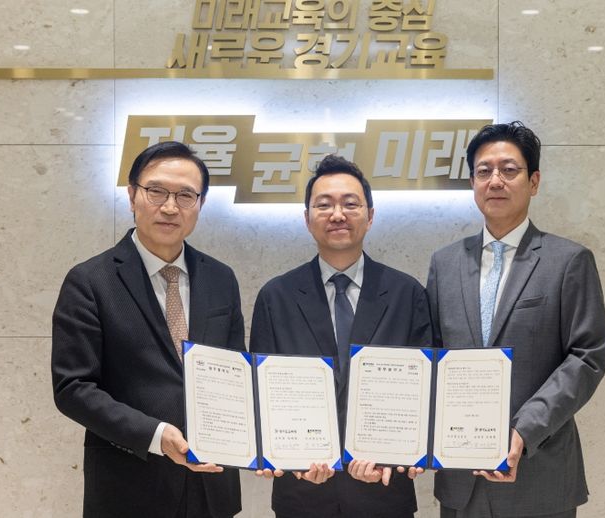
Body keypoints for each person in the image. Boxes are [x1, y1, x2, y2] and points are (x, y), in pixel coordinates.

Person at [52, 141, 244, 518]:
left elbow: (236, 373)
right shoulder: (90, 281)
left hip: (212, 489)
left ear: (201, 204)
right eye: (156, 191)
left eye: (185, 195)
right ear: (132, 196)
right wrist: (155, 435)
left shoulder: (221, 279)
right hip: (130, 488)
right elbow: (73, 387)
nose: (170, 207)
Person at [426, 121, 605, 518]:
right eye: (484, 171)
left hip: (539, 474)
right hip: (461, 479)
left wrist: (525, 428)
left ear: (534, 181)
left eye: (509, 170)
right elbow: (432, 357)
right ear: (473, 183)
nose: (495, 180)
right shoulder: (445, 263)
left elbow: (587, 356)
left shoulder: (568, 261)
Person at [249, 154, 432, 518]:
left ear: (370, 215)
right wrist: (280, 456)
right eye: (324, 205)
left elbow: (425, 391)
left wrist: (406, 454)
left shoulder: (406, 293)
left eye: (350, 204)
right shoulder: (276, 296)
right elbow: (262, 392)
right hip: (302, 492)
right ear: (307, 219)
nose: (337, 214)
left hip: (384, 490)